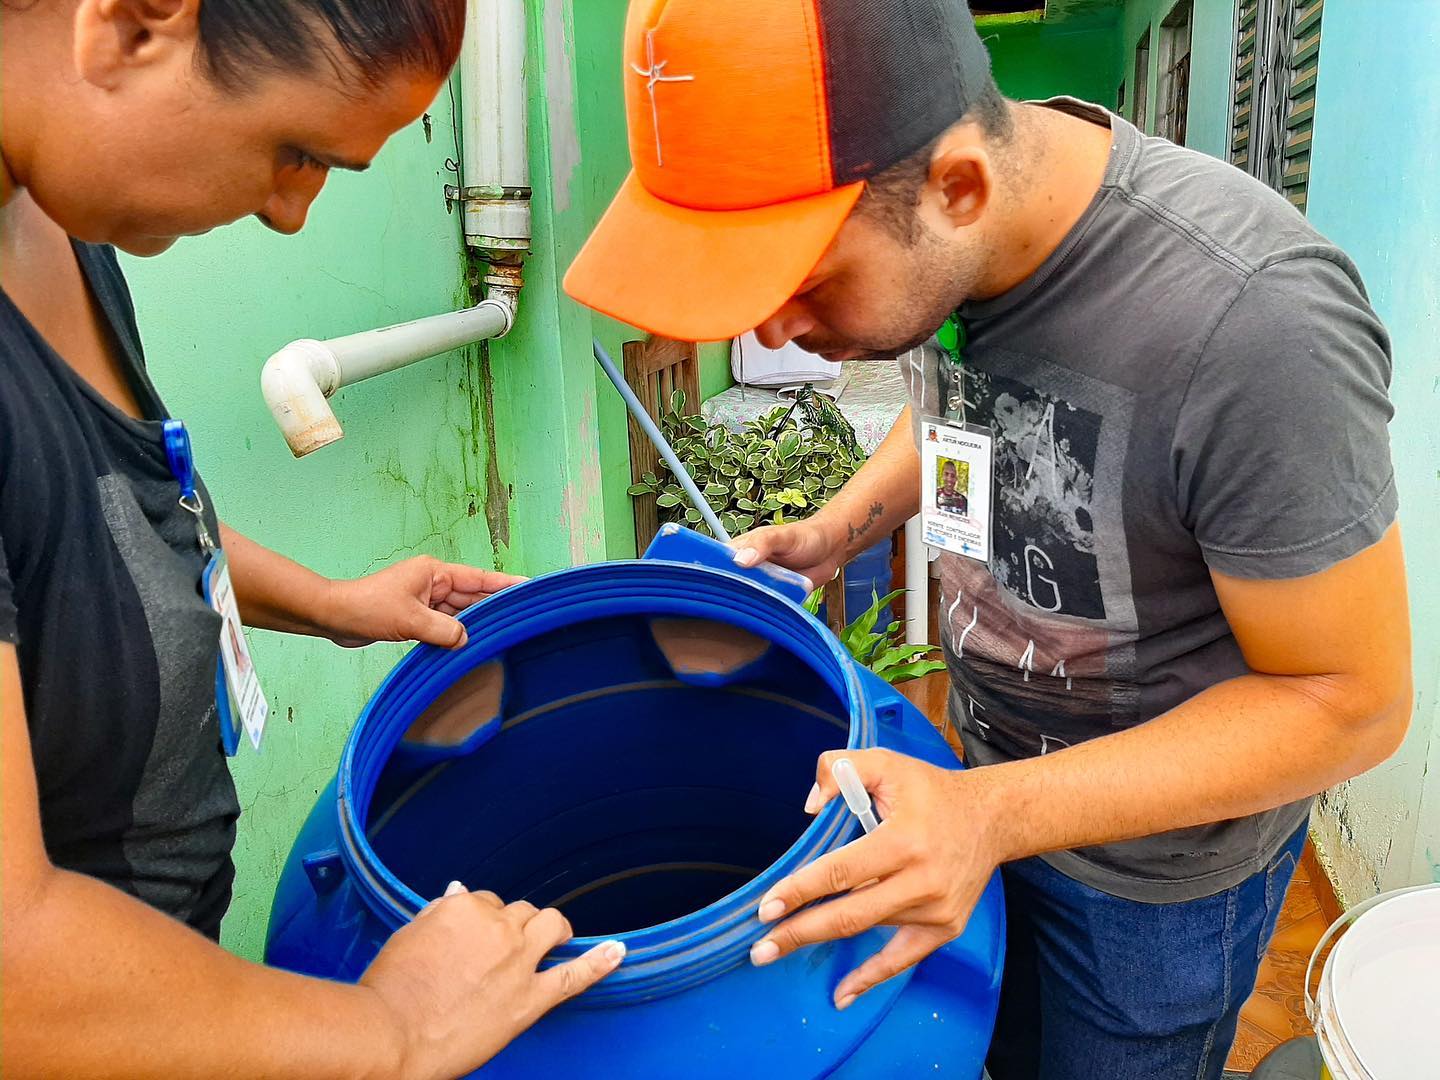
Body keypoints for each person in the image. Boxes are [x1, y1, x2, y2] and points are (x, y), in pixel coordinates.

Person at [564, 1, 1412, 1076]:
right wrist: (840, 528)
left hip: (1150, 889)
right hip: (981, 782)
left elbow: (1351, 701)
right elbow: (965, 410)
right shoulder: (964, 249)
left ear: (957, 188)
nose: (770, 332)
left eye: (805, 283)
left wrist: (991, 813)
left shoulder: (1253, 324)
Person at [0, 2, 621, 1076]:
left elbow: (94, 525)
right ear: (130, 26)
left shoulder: (58, 215)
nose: (292, 215)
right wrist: (389, 1033)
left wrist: (333, 603)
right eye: (296, 152)